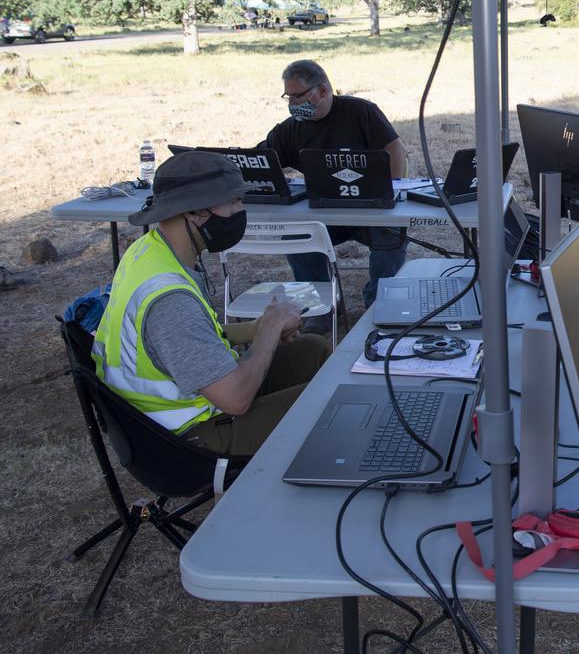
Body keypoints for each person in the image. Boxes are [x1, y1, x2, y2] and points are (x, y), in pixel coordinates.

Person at [92, 151, 331, 457]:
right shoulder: (170, 300)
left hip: (183, 407)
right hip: (187, 439)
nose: (240, 209)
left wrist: (253, 330)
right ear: (193, 212)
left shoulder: (150, 250)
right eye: (232, 202)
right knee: (327, 402)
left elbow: (189, 339)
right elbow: (235, 399)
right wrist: (269, 330)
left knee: (313, 350)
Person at [258, 59, 410, 307]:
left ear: (323, 90)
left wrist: (390, 191)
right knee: (295, 235)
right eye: (288, 97)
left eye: (298, 96)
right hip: (324, 217)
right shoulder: (289, 130)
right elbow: (262, 160)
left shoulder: (360, 112)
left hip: (373, 214)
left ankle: (379, 301)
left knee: (392, 235)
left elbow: (395, 149)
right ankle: (321, 304)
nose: (293, 105)